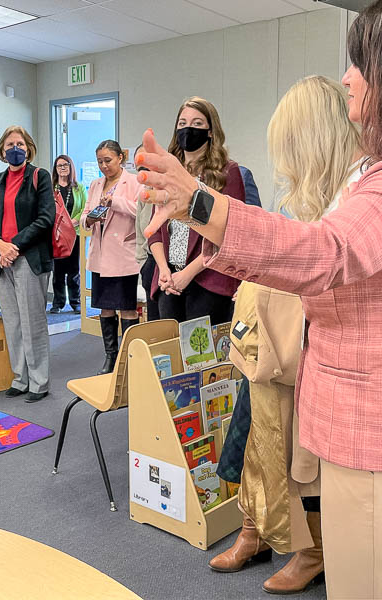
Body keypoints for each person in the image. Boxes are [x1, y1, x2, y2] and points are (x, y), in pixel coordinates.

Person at [137, 4, 382, 596]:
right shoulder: (365, 176)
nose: (346, 77)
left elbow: (324, 254)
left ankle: (276, 537)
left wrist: (199, 204)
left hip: (361, 428)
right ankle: (273, 536)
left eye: (357, 64)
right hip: (336, 414)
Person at [210, 76, 362, 595]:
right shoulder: (317, 198)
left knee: (289, 453)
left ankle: (305, 547)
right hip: (276, 350)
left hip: (315, 363)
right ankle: (261, 530)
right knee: (255, 436)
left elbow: (312, 260)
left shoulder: (355, 200)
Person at [148, 97, 245, 325]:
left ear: (211, 131)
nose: (188, 129)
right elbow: (155, 229)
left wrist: (187, 274)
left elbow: (229, 233)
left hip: (207, 278)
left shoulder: (226, 173)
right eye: (182, 123)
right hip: (168, 278)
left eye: (197, 123)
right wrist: (164, 270)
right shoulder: (167, 171)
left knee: (201, 356)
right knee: (170, 351)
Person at [0, 126, 55, 403]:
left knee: (32, 321)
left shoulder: (39, 176)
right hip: (1, 260)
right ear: (2, 150)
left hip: (29, 259)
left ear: (28, 148)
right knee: (12, 321)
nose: (15, 148)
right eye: (10, 144)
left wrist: (14, 246)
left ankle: (39, 381)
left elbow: (46, 218)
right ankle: (20, 378)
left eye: (20, 144)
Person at [81, 140, 142, 374]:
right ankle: (111, 356)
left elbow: (140, 211)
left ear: (120, 158)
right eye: (100, 162)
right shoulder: (96, 184)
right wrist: (89, 219)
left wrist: (114, 202)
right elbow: (85, 214)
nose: (104, 166)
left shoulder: (134, 182)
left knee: (127, 308)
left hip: (123, 255)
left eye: (108, 160)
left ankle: (129, 359)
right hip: (101, 255)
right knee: (105, 308)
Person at [49, 155, 86, 314]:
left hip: (74, 234)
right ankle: (58, 303)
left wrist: (72, 223)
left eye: (65, 165)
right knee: (57, 272)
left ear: (71, 167)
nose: (62, 168)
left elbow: (85, 208)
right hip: (56, 236)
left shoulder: (79, 188)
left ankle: (75, 302)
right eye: (59, 166)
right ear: (55, 169)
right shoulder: (51, 188)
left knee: (73, 271)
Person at [135, 144, 159, 321]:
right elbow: (139, 233)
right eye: (139, 166)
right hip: (150, 264)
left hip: (172, 266)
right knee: (154, 319)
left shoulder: (171, 190)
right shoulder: (143, 195)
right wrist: (143, 263)